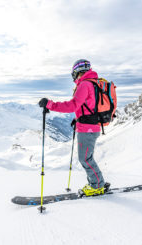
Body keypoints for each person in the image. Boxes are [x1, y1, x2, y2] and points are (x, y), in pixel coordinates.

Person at [38, 59, 109, 196]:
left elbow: (72, 105)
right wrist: (78, 119)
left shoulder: (85, 84)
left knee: (85, 159)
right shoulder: (93, 83)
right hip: (89, 126)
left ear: (77, 72)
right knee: (87, 158)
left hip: (87, 128)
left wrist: (50, 104)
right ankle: (97, 182)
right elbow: (87, 107)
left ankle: (97, 186)